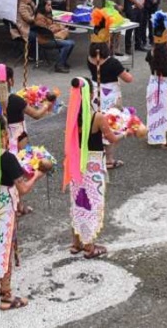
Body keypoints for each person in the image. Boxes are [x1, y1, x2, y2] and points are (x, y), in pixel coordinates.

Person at [0, 111, 40, 310]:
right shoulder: (7, 158)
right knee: (5, 247)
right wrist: (38, 173)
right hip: (3, 206)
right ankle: (7, 295)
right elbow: (23, 189)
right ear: (3, 133)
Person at [65, 76, 121, 259]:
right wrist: (127, 129)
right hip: (93, 164)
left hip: (75, 162)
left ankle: (76, 243)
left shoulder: (71, 115)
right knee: (92, 201)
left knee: (77, 200)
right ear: (90, 93)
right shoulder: (97, 116)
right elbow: (112, 139)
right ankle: (90, 246)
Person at [91, 41, 134, 168]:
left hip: (95, 93)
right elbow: (128, 79)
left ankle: (97, 155)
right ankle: (109, 159)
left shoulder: (90, 59)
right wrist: (123, 71)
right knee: (110, 125)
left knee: (96, 126)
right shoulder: (113, 62)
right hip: (110, 96)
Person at [145, 13, 167, 148]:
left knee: (152, 111)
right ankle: (163, 140)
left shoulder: (150, 53)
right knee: (165, 112)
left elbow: (149, 62)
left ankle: (152, 136)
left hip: (152, 83)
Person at [30, 0, 75, 72]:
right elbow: (47, 31)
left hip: (50, 37)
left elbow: (51, 26)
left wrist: (58, 27)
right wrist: (60, 27)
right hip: (46, 40)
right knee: (69, 44)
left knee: (70, 42)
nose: (50, 7)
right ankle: (59, 65)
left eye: (51, 5)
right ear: (43, 6)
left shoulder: (46, 14)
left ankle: (62, 61)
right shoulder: (39, 17)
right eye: (48, 5)